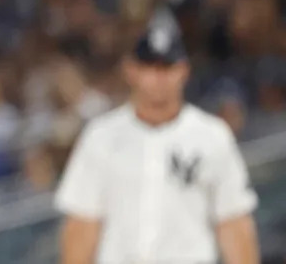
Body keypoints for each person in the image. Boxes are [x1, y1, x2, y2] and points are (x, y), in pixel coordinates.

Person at [54, 25, 260, 264]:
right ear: (131, 70)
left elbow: (233, 222)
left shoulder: (211, 135)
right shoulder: (101, 137)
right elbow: (82, 225)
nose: (158, 78)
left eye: (166, 68)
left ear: (183, 70)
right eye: (149, 68)